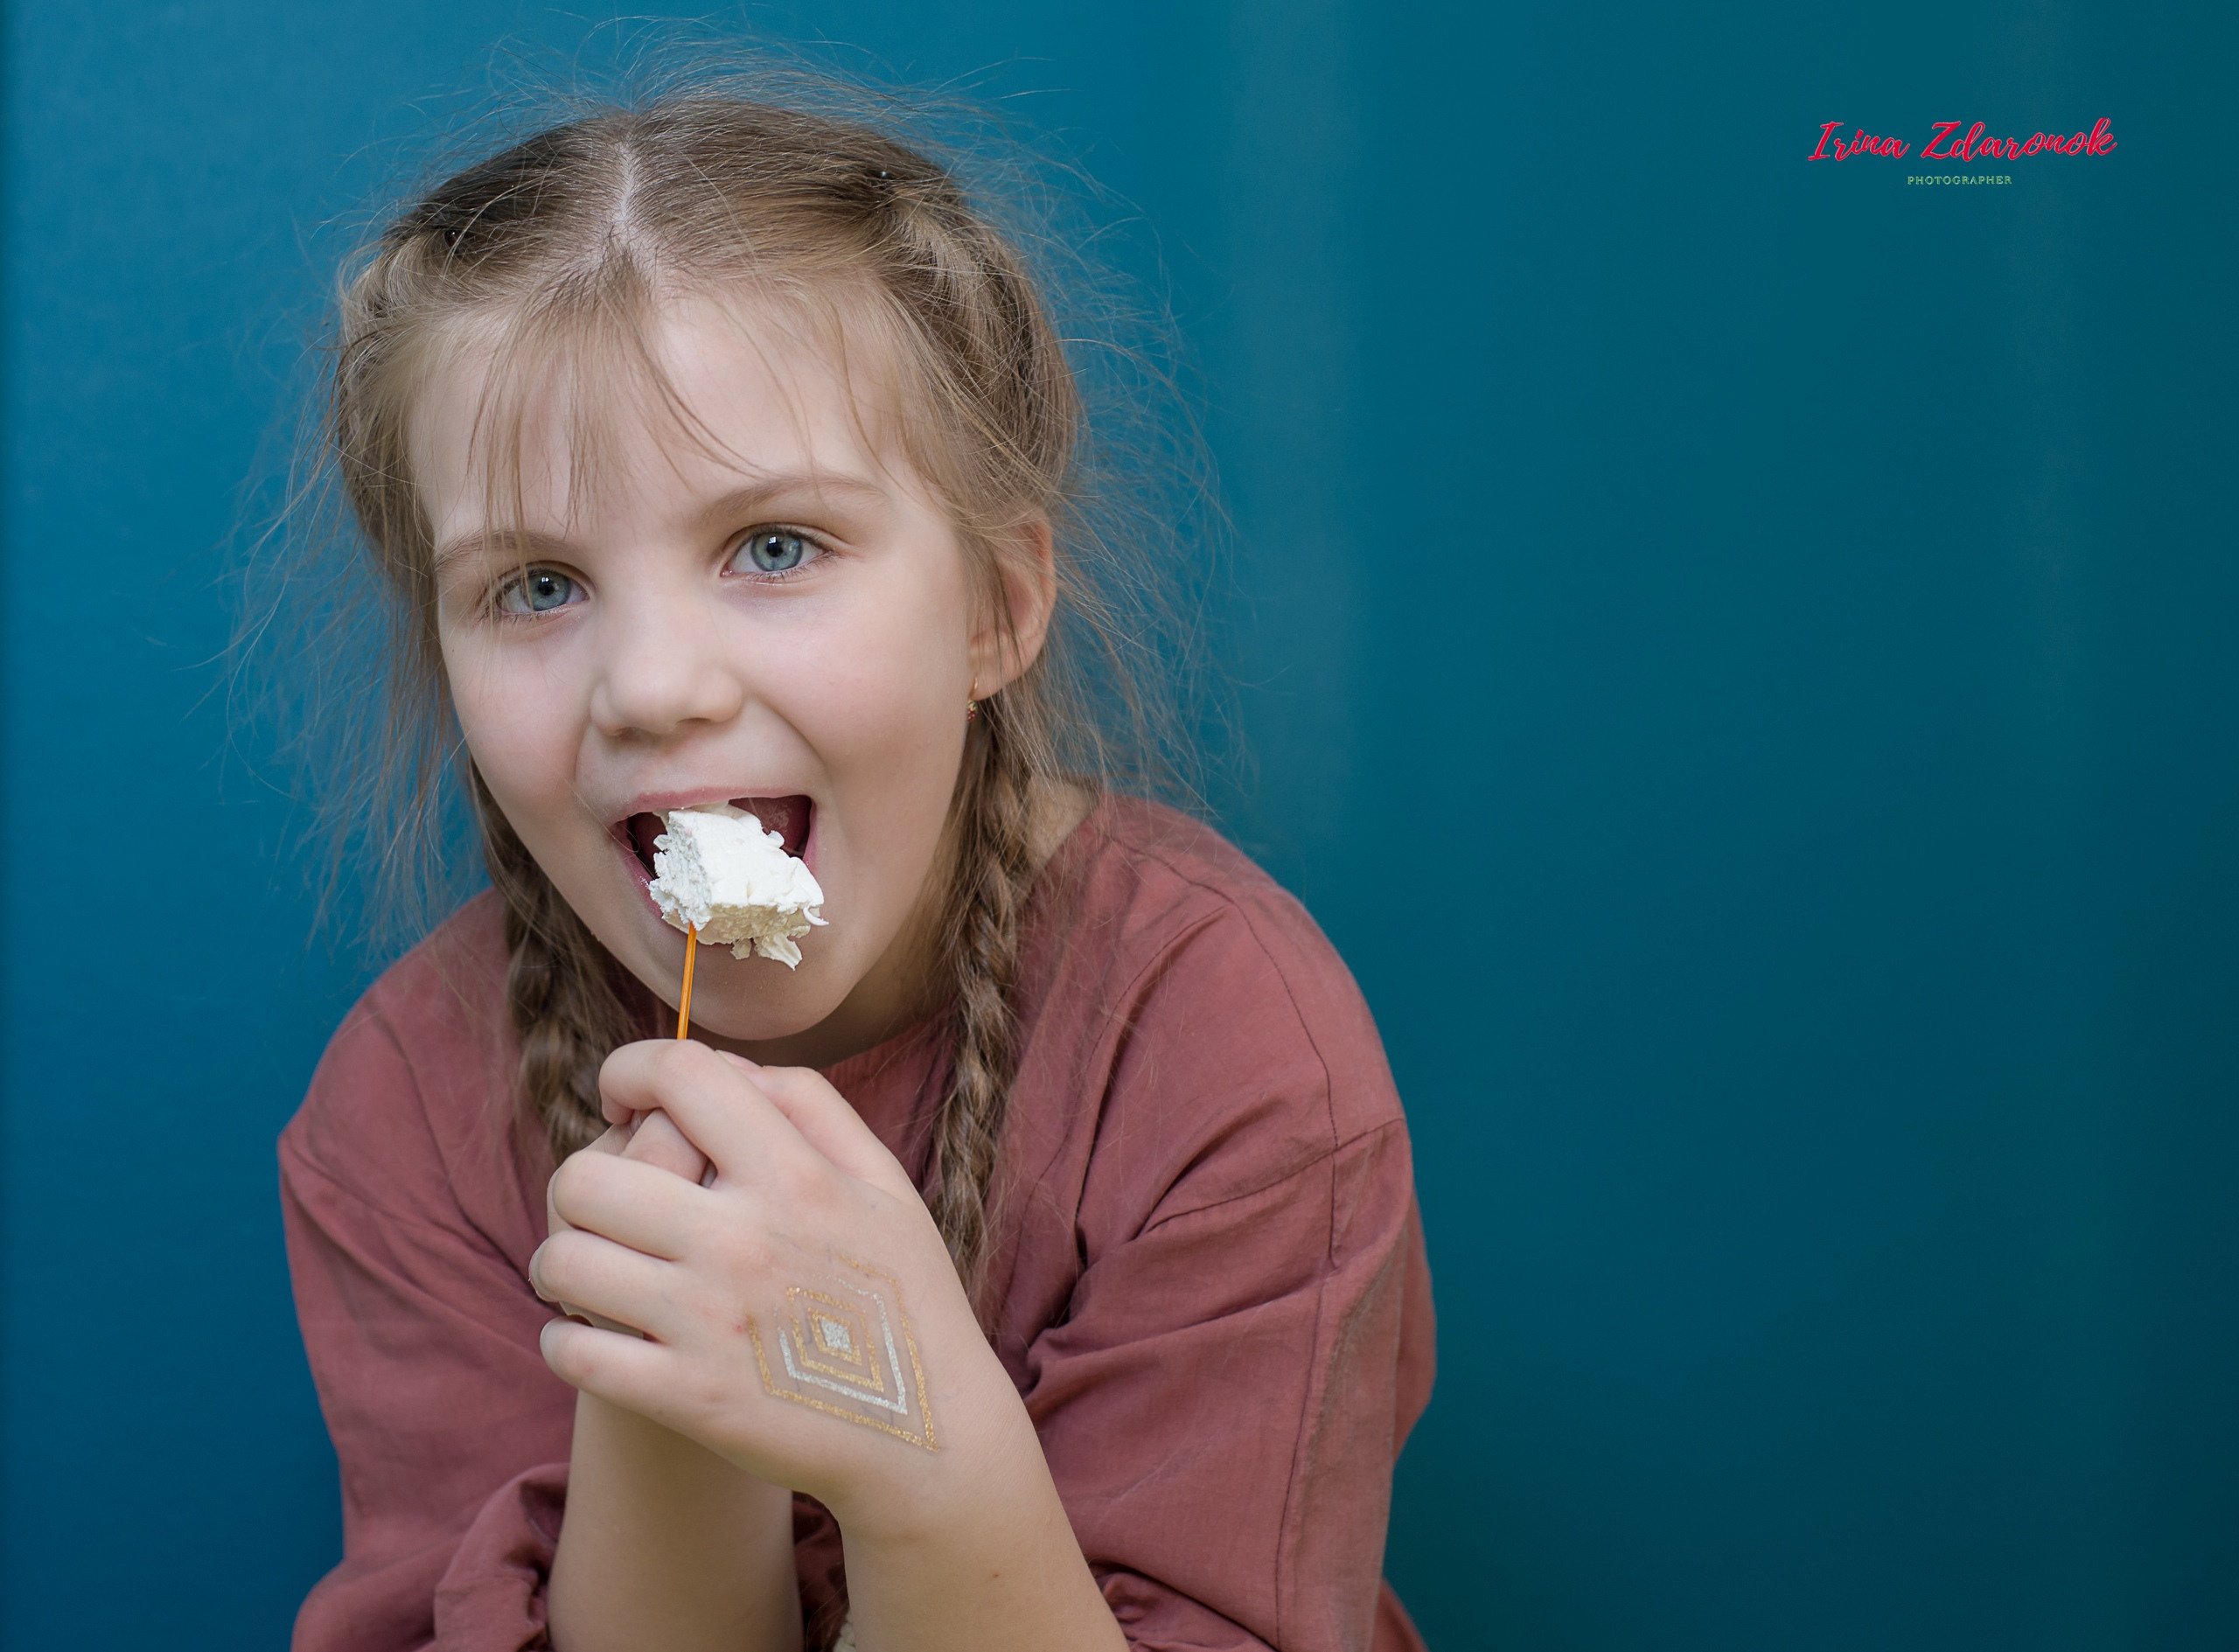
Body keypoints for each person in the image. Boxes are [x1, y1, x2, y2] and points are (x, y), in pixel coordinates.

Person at [276, 75, 1433, 1652]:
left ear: (994, 608)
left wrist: (913, 1445)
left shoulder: (1234, 1052)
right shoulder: (405, 1109)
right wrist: (666, 1416)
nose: (651, 685)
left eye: (773, 547)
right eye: (537, 583)